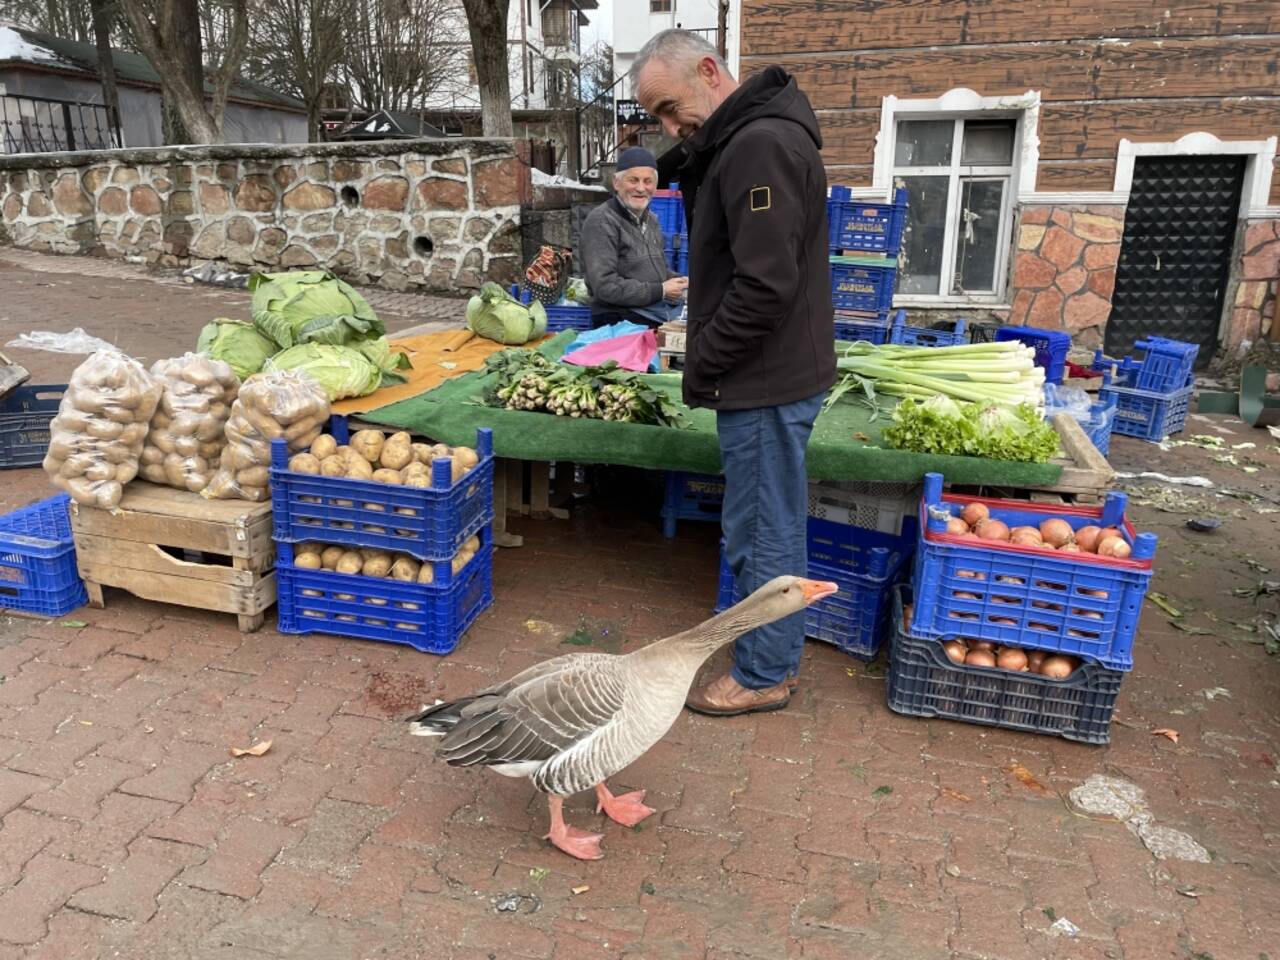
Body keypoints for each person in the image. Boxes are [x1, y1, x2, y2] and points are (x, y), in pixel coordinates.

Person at [633, 30, 835, 716]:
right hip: (767, 374)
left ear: (710, 71)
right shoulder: (747, 139)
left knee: (764, 529)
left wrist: (705, 356)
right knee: (765, 523)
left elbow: (766, 287)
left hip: (765, 379)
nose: (668, 126)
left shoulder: (759, 145)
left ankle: (764, 674)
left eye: (668, 107)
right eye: (657, 117)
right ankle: (766, 658)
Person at [579, 146, 688, 329]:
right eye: (633, 180)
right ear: (616, 183)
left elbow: (657, 271)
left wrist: (679, 281)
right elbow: (605, 287)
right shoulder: (601, 221)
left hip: (652, 309)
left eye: (648, 181)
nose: (641, 188)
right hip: (620, 318)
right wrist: (661, 290)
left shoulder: (651, 219)